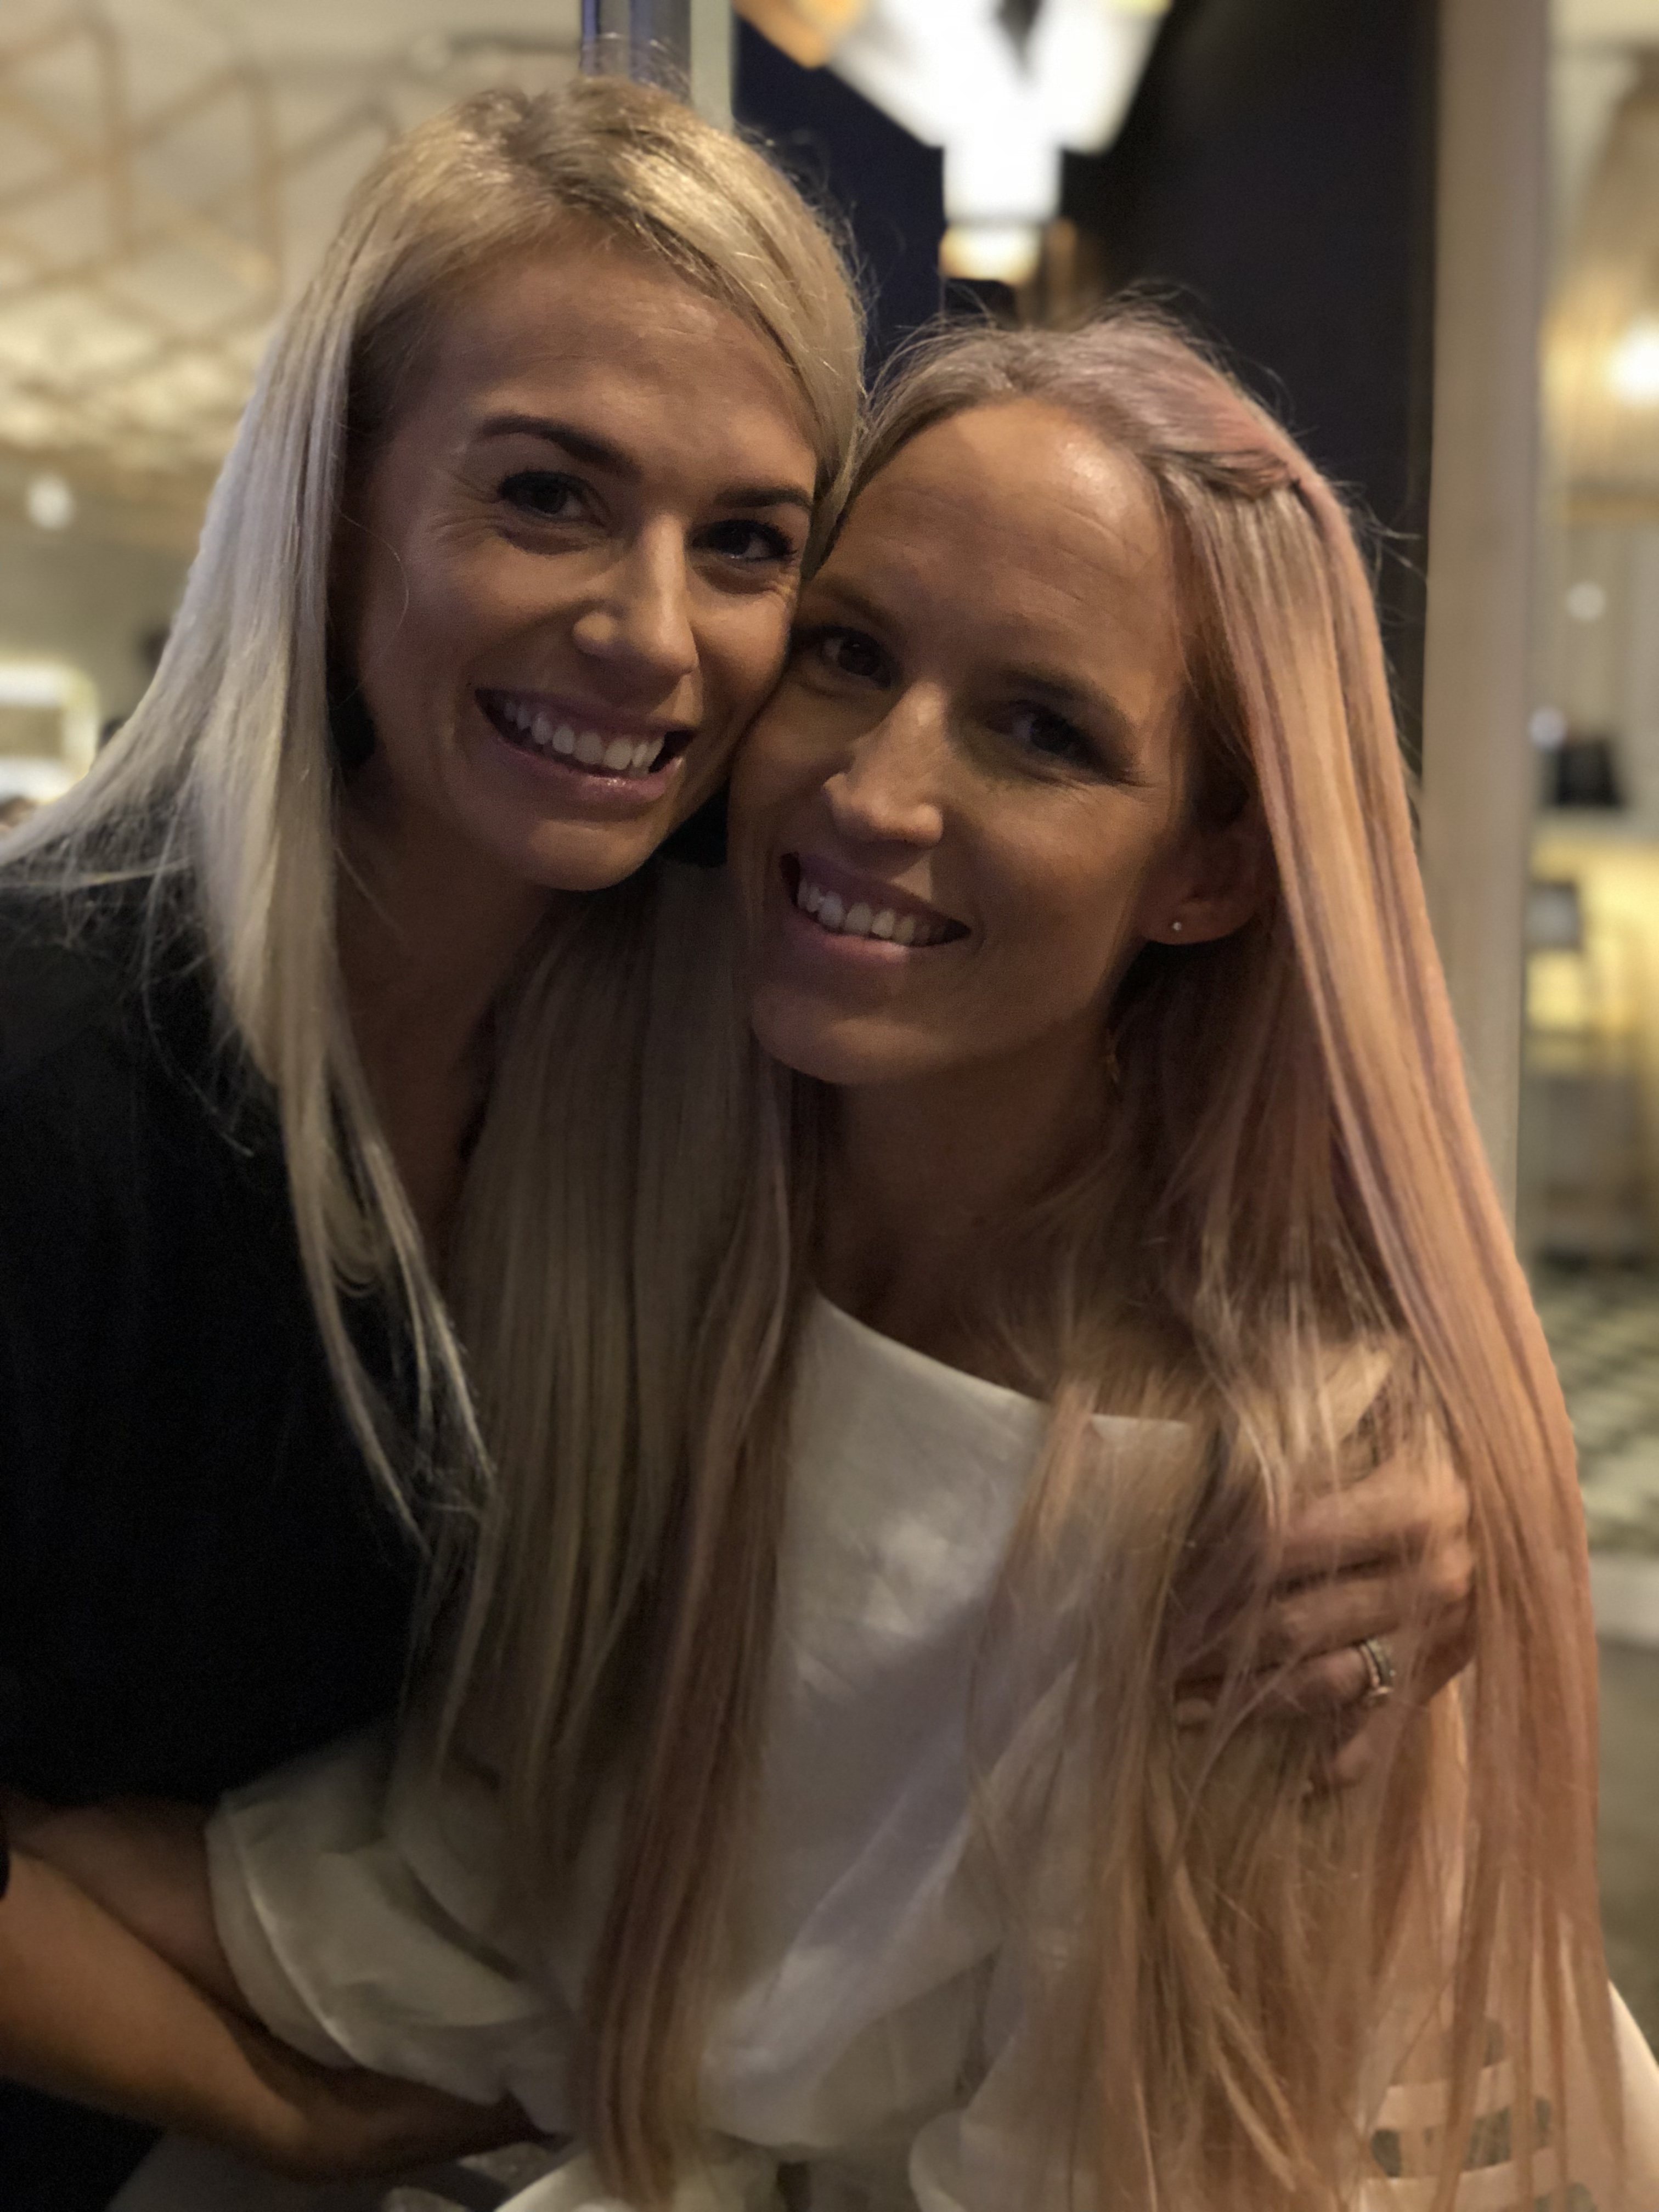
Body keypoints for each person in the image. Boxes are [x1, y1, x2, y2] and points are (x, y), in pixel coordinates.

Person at [20, 310, 1634, 2212]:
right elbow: (514, 1875)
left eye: (1042, 731)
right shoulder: (642, 1118)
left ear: (1211, 871)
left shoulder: (1272, 1538)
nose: (873, 792)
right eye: (849, 655)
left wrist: (1422, 1444)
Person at [0, 74, 861, 2211]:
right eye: (549, 497)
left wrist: (1344, 1478)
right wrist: (285, 2114)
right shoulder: (53, 1063)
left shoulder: (705, 1041)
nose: (655, 634)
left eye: (746, 542)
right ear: (334, 507)